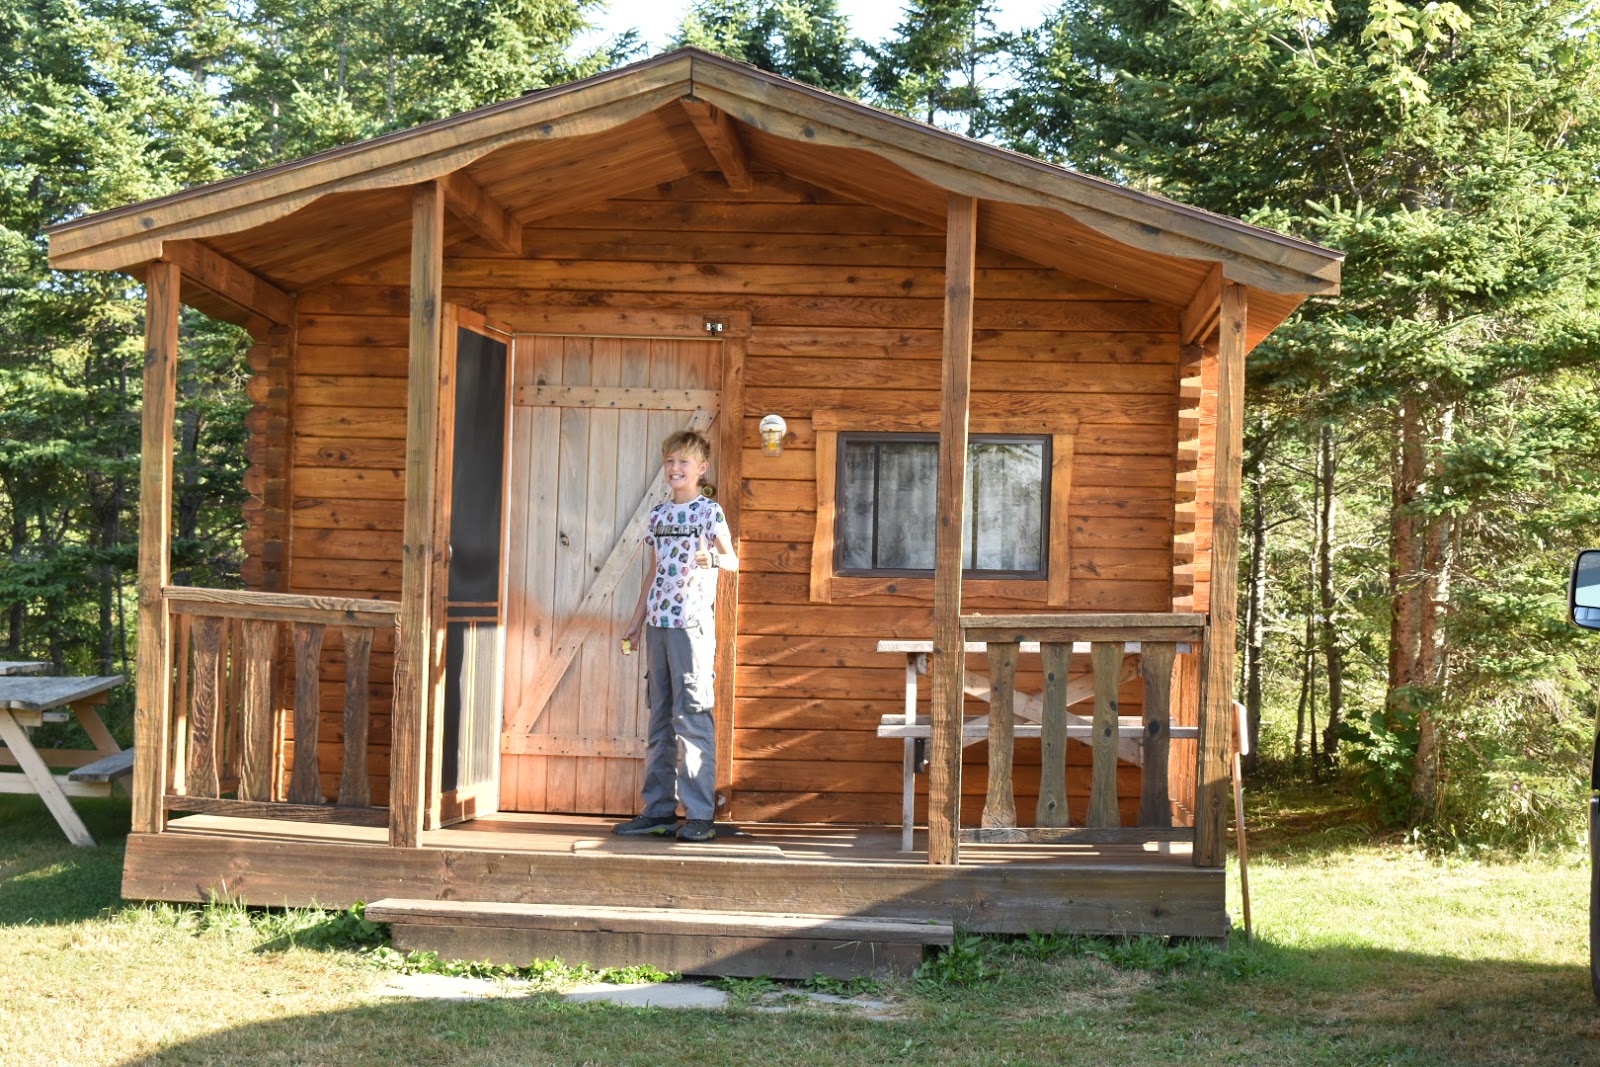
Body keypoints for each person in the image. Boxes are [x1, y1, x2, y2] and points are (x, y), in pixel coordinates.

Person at [614, 430, 738, 842]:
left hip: (691, 626)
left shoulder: (710, 512)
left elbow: (732, 561)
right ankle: (659, 811)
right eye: (670, 461)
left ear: (701, 469)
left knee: (693, 715)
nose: (675, 468)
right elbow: (653, 571)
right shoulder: (659, 516)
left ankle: (700, 815)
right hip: (658, 626)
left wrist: (713, 557)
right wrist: (637, 618)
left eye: (684, 462)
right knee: (660, 717)